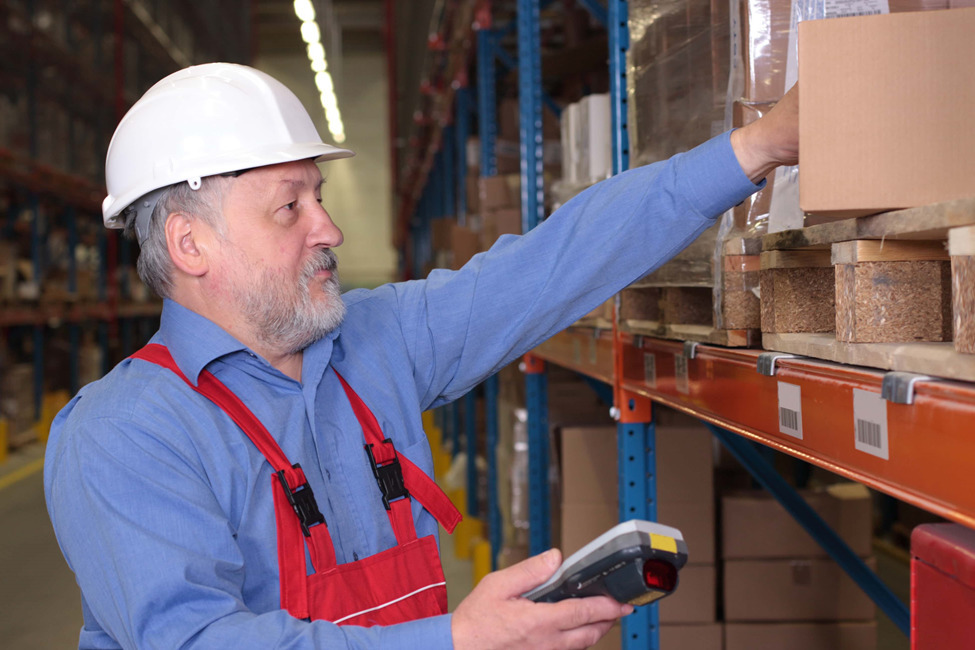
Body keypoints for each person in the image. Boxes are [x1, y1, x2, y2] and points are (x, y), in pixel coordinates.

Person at [44, 62, 798, 649]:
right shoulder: (121, 435)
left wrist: (754, 147)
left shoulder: (380, 341)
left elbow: (555, 263)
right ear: (190, 243)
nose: (330, 229)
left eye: (319, 196)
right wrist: (457, 640)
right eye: (289, 206)